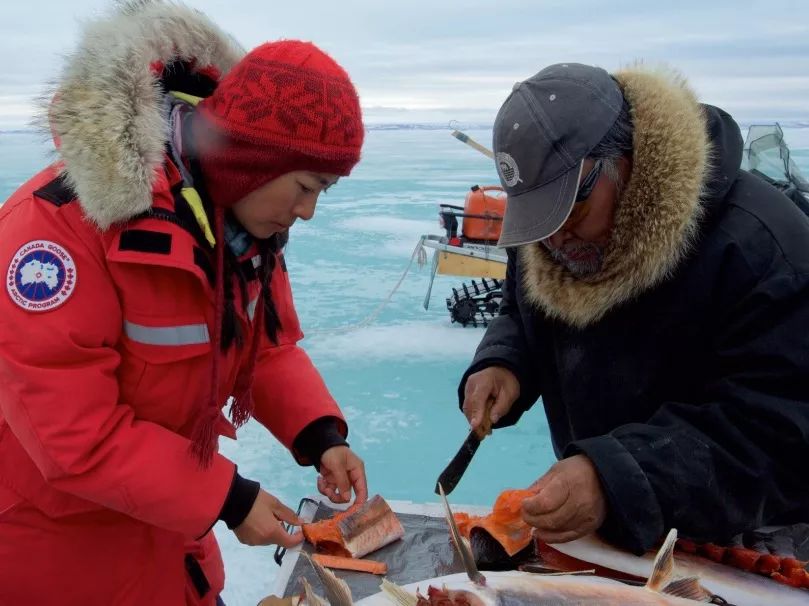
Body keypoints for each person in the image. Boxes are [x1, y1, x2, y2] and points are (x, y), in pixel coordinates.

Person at [0, 2, 368, 605]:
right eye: (306, 187)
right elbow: (75, 435)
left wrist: (321, 433)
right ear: (253, 158)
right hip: (59, 562)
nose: (308, 212)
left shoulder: (244, 234)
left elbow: (266, 348)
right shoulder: (55, 237)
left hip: (168, 548)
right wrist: (228, 498)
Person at [458, 62, 809, 555]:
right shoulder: (552, 237)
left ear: (625, 160)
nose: (554, 237)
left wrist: (616, 476)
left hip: (750, 545)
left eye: (569, 209)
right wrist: (506, 360)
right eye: (538, 218)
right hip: (615, 522)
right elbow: (524, 308)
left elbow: (776, 435)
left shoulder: (765, 250)